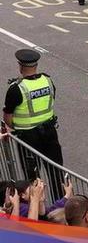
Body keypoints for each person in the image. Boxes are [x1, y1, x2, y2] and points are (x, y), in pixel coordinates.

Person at [3, 49, 63, 180]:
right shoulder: (48, 81)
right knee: (56, 173)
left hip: (27, 138)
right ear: (36, 65)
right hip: (50, 133)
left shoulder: (16, 88)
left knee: (33, 177)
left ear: (20, 66)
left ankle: (37, 200)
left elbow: (7, 116)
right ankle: (61, 200)